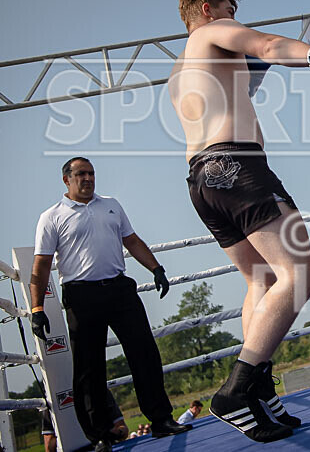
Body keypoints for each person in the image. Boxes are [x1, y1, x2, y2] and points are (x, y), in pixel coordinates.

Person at [168, 0, 310, 443]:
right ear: (207, 10)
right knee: (299, 273)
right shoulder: (213, 31)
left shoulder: (180, 70)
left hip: (201, 179)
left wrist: (284, 60)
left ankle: (260, 392)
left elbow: (246, 80)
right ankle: (236, 390)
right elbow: (267, 45)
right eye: (229, 10)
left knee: (260, 280)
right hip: (238, 165)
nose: (235, 18)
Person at [29, 157, 191, 451]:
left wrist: (156, 269)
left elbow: (132, 240)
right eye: (81, 174)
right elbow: (41, 265)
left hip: (119, 289)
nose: (88, 178)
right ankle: (100, 435)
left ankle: (161, 419)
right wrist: (37, 308)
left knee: (145, 353)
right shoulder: (51, 216)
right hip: (81, 295)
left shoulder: (111, 205)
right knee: (89, 368)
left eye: (91, 173)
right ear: (67, 179)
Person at [42, 391, 128, 452]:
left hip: (102, 447)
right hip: (103, 446)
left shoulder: (51, 396)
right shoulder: (99, 388)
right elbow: (122, 429)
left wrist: (112, 433)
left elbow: (49, 445)